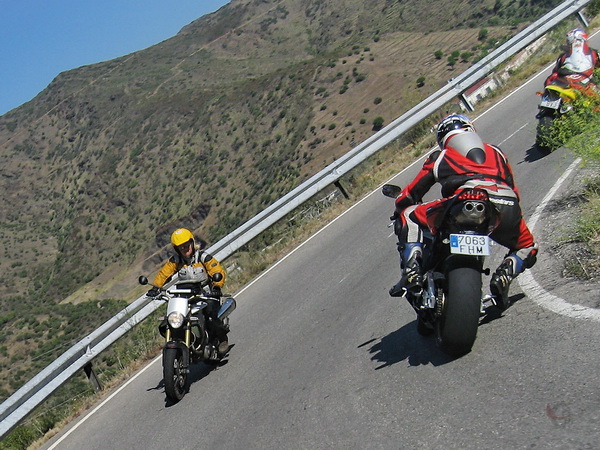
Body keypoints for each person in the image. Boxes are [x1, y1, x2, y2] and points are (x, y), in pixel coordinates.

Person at [389, 114, 538, 310]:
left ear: (442, 139)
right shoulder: (497, 152)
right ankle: (506, 272)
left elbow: (412, 193)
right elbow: (513, 189)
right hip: (505, 204)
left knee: (409, 214)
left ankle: (412, 268)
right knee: (528, 246)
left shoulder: (440, 156)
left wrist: (399, 204)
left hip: (462, 201)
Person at [148, 227, 229, 353]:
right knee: (172, 320)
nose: (185, 249)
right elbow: (164, 274)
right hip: (187, 297)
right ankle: (187, 341)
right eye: (181, 247)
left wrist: (217, 286)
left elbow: (216, 270)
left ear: (191, 243)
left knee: (211, 318)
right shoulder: (175, 261)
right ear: (177, 249)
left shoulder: (203, 257)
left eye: (186, 245)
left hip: (206, 294)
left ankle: (221, 337)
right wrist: (155, 287)